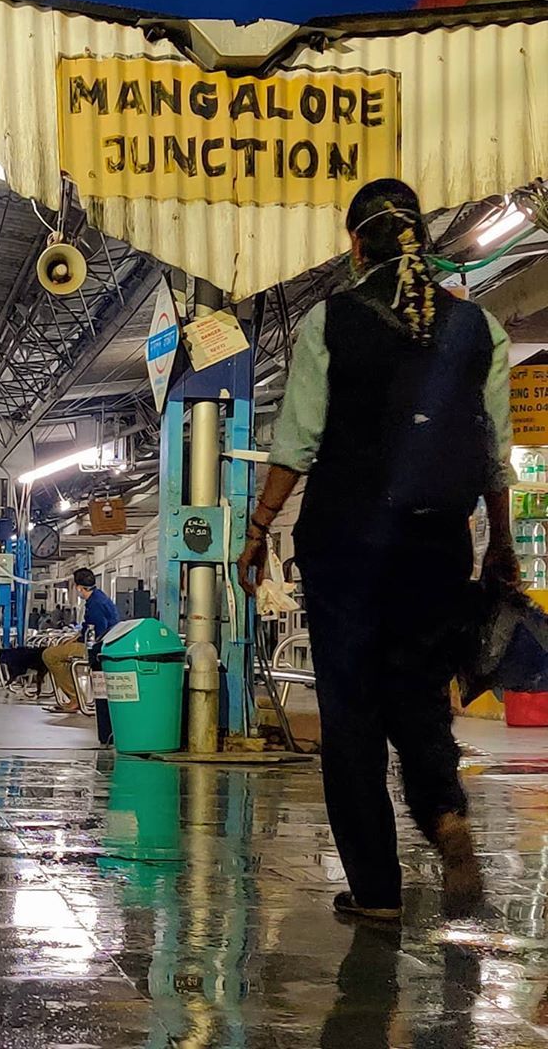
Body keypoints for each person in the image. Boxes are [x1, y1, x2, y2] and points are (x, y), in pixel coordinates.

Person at [237, 178, 516, 922]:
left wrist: (258, 531)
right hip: (436, 544)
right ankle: (446, 814)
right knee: (420, 696)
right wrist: (504, 549)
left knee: (351, 714)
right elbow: (494, 457)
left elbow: (296, 443)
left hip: (346, 545)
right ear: (419, 241)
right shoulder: (479, 329)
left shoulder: (330, 324)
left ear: (357, 245)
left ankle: (376, 894)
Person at [42, 568, 120, 713]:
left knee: (50, 655)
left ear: (78, 587)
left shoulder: (95, 604)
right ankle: (74, 696)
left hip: (98, 648)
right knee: (62, 651)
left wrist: (81, 642)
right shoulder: (98, 597)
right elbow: (89, 626)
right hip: (106, 644)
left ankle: (75, 698)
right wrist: (75, 637)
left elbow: (98, 632)